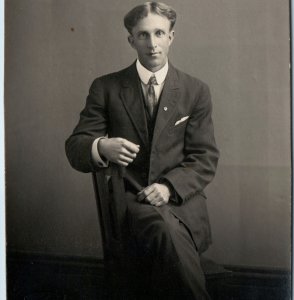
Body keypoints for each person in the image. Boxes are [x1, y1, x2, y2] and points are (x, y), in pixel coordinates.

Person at [66, 2, 219, 299]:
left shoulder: (195, 90)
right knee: (165, 232)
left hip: (181, 202)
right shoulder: (106, 87)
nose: (152, 44)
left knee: (169, 232)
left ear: (171, 37)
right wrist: (102, 146)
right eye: (143, 35)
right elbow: (75, 146)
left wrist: (168, 186)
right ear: (131, 39)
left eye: (159, 33)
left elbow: (205, 157)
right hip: (130, 199)